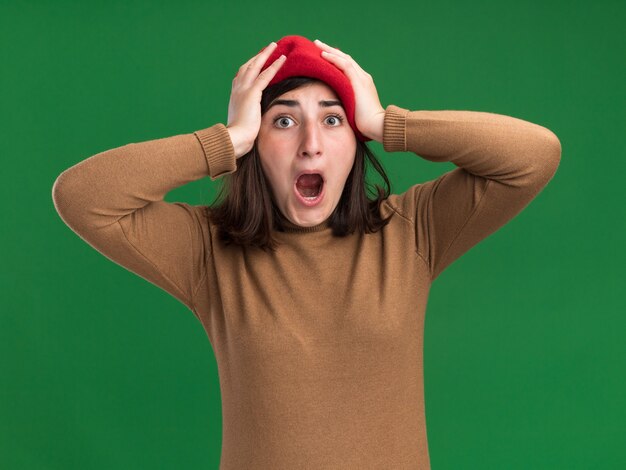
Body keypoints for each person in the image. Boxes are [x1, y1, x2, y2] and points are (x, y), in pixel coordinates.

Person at [52, 35, 561, 469]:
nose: (311, 144)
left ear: (355, 142)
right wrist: (226, 140)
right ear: (258, 143)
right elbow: (83, 198)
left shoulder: (410, 231)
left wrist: (387, 124)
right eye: (284, 121)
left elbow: (534, 155)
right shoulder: (208, 250)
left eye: (334, 120)